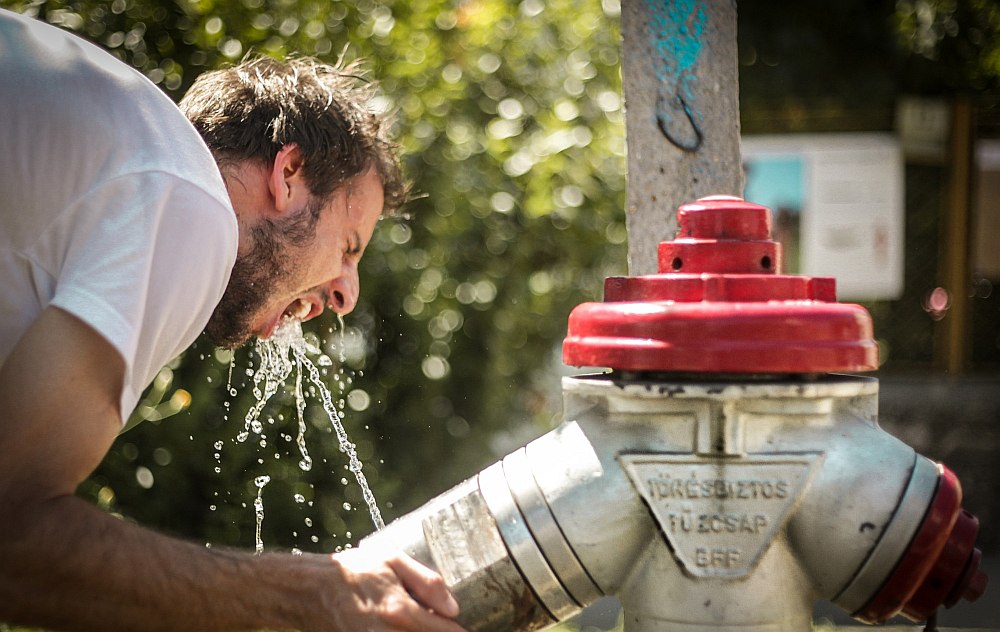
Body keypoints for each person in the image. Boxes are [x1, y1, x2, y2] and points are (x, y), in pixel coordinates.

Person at [0, 8, 465, 632]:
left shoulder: (126, 153)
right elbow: (11, 535)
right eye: (349, 247)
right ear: (289, 174)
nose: (346, 295)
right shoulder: (191, 203)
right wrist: (318, 595)